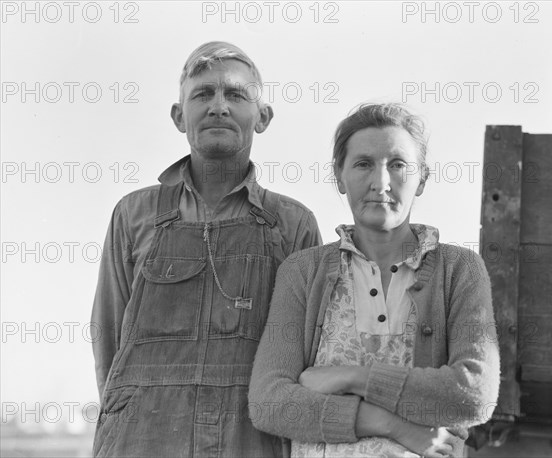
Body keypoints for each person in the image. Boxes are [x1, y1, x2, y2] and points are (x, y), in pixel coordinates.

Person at [91, 41, 321, 457]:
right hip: (143, 438)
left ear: (263, 116)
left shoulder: (293, 224)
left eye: (235, 94)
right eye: (202, 94)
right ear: (180, 117)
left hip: (251, 439)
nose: (218, 106)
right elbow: (107, 337)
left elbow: (304, 358)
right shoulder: (133, 214)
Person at [248, 103, 500, 458]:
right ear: (339, 175)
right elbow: (269, 402)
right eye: (364, 163)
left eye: (397, 165)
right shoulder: (303, 272)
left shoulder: (460, 270)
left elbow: (474, 393)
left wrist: (352, 377)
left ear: (423, 178)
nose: (380, 183)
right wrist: (392, 424)